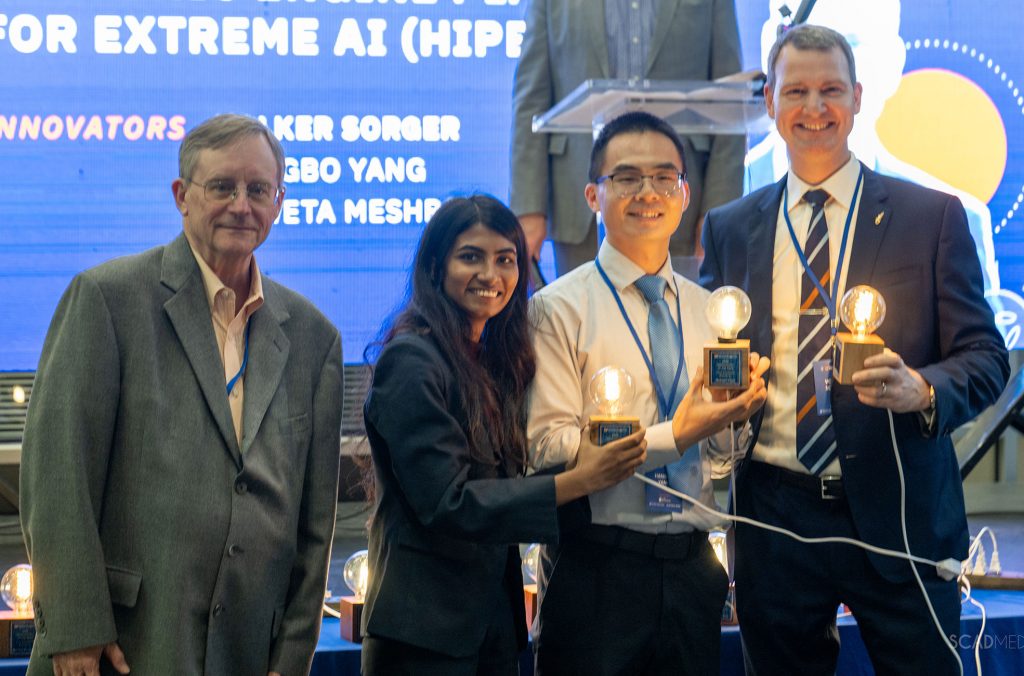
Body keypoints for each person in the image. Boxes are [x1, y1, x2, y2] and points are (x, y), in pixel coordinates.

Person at [700, 25, 1010, 675]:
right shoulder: (731, 227)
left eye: (831, 90)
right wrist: (716, 392)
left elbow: (985, 356)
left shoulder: (932, 216)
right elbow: (708, 354)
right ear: (770, 103)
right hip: (773, 518)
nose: (815, 109)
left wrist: (923, 390)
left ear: (860, 97)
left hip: (899, 515)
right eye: (798, 92)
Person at [20, 114, 343, 676]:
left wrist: (293, 655)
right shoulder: (107, 299)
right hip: (122, 646)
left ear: (279, 203)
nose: (242, 205)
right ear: (181, 196)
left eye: (258, 190)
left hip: (249, 651)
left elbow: (315, 526)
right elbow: (58, 475)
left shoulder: (314, 337)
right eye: (222, 187)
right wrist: (74, 631)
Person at [359, 194, 648, 675]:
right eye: (470, 256)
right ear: (435, 266)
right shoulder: (411, 360)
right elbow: (448, 504)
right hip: (423, 636)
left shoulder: (491, 360)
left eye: (505, 259)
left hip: (492, 626)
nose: (491, 275)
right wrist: (581, 478)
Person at [528, 111, 769, 676]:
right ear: (593, 194)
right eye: (627, 178)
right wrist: (674, 435)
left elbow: (720, 454)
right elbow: (548, 446)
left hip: (691, 569)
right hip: (597, 569)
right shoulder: (557, 309)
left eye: (665, 178)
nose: (647, 193)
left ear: (685, 195)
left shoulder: (711, 311)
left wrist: (734, 421)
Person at [510, 0, 746, 276]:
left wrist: (718, 214)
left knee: (677, 316)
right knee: (582, 316)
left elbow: (731, 99)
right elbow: (531, 101)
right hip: (580, 203)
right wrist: (528, 209)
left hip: (679, 204)